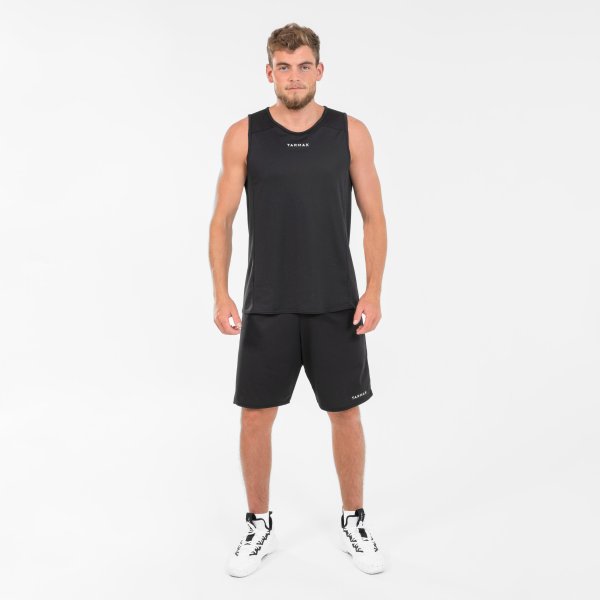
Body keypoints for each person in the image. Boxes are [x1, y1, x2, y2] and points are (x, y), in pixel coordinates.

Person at [209, 22, 387, 577]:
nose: (294, 77)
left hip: (336, 303)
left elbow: (374, 217)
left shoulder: (350, 132)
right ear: (269, 72)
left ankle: (354, 519)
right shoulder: (244, 135)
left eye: (303, 66)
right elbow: (221, 221)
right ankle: (257, 523)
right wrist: (220, 292)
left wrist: (373, 289)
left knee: (345, 413)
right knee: (255, 418)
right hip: (268, 303)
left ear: (319, 70)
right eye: (283, 67)